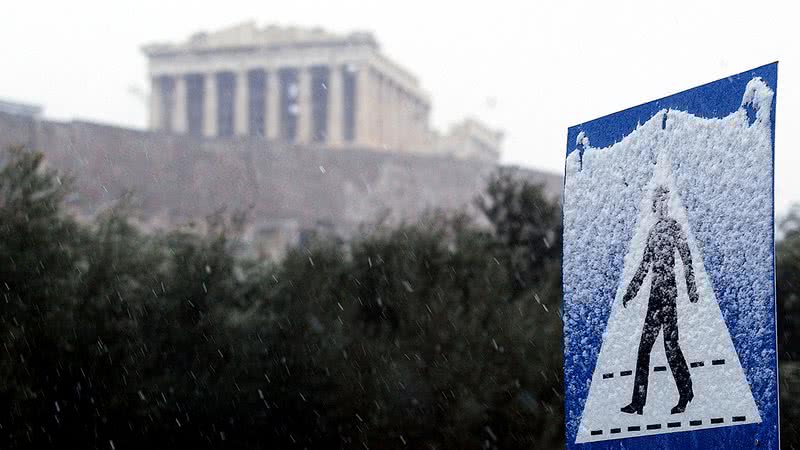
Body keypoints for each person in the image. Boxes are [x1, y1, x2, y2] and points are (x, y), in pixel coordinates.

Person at [620, 185, 698, 415]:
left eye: (665, 201)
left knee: (671, 348)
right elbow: (644, 265)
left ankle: (686, 393)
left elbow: (686, 257)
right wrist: (631, 291)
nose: (662, 206)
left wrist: (691, 287)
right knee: (644, 349)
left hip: (669, 296)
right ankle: (638, 402)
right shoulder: (653, 232)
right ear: (654, 206)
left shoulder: (674, 227)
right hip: (654, 297)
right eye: (658, 202)